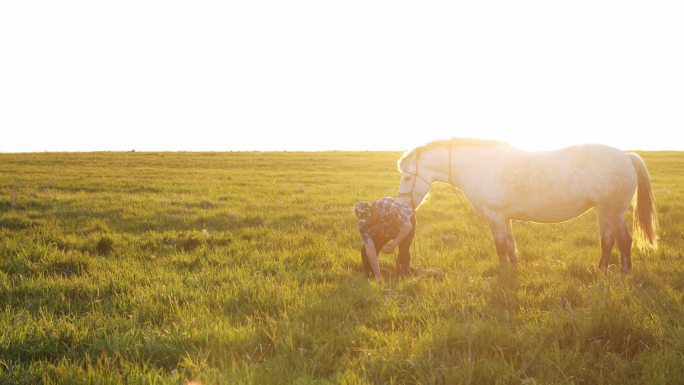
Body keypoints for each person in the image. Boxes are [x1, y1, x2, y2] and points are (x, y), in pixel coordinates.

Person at [355, 197, 416, 280]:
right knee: (365, 252)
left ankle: (404, 272)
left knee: (404, 249)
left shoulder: (388, 206)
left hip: (405, 222)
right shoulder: (363, 225)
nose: (368, 222)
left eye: (369, 218)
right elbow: (370, 248)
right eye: (365, 220)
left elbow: (407, 226)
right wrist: (377, 274)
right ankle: (374, 275)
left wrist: (393, 244)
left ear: (373, 210)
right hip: (383, 230)